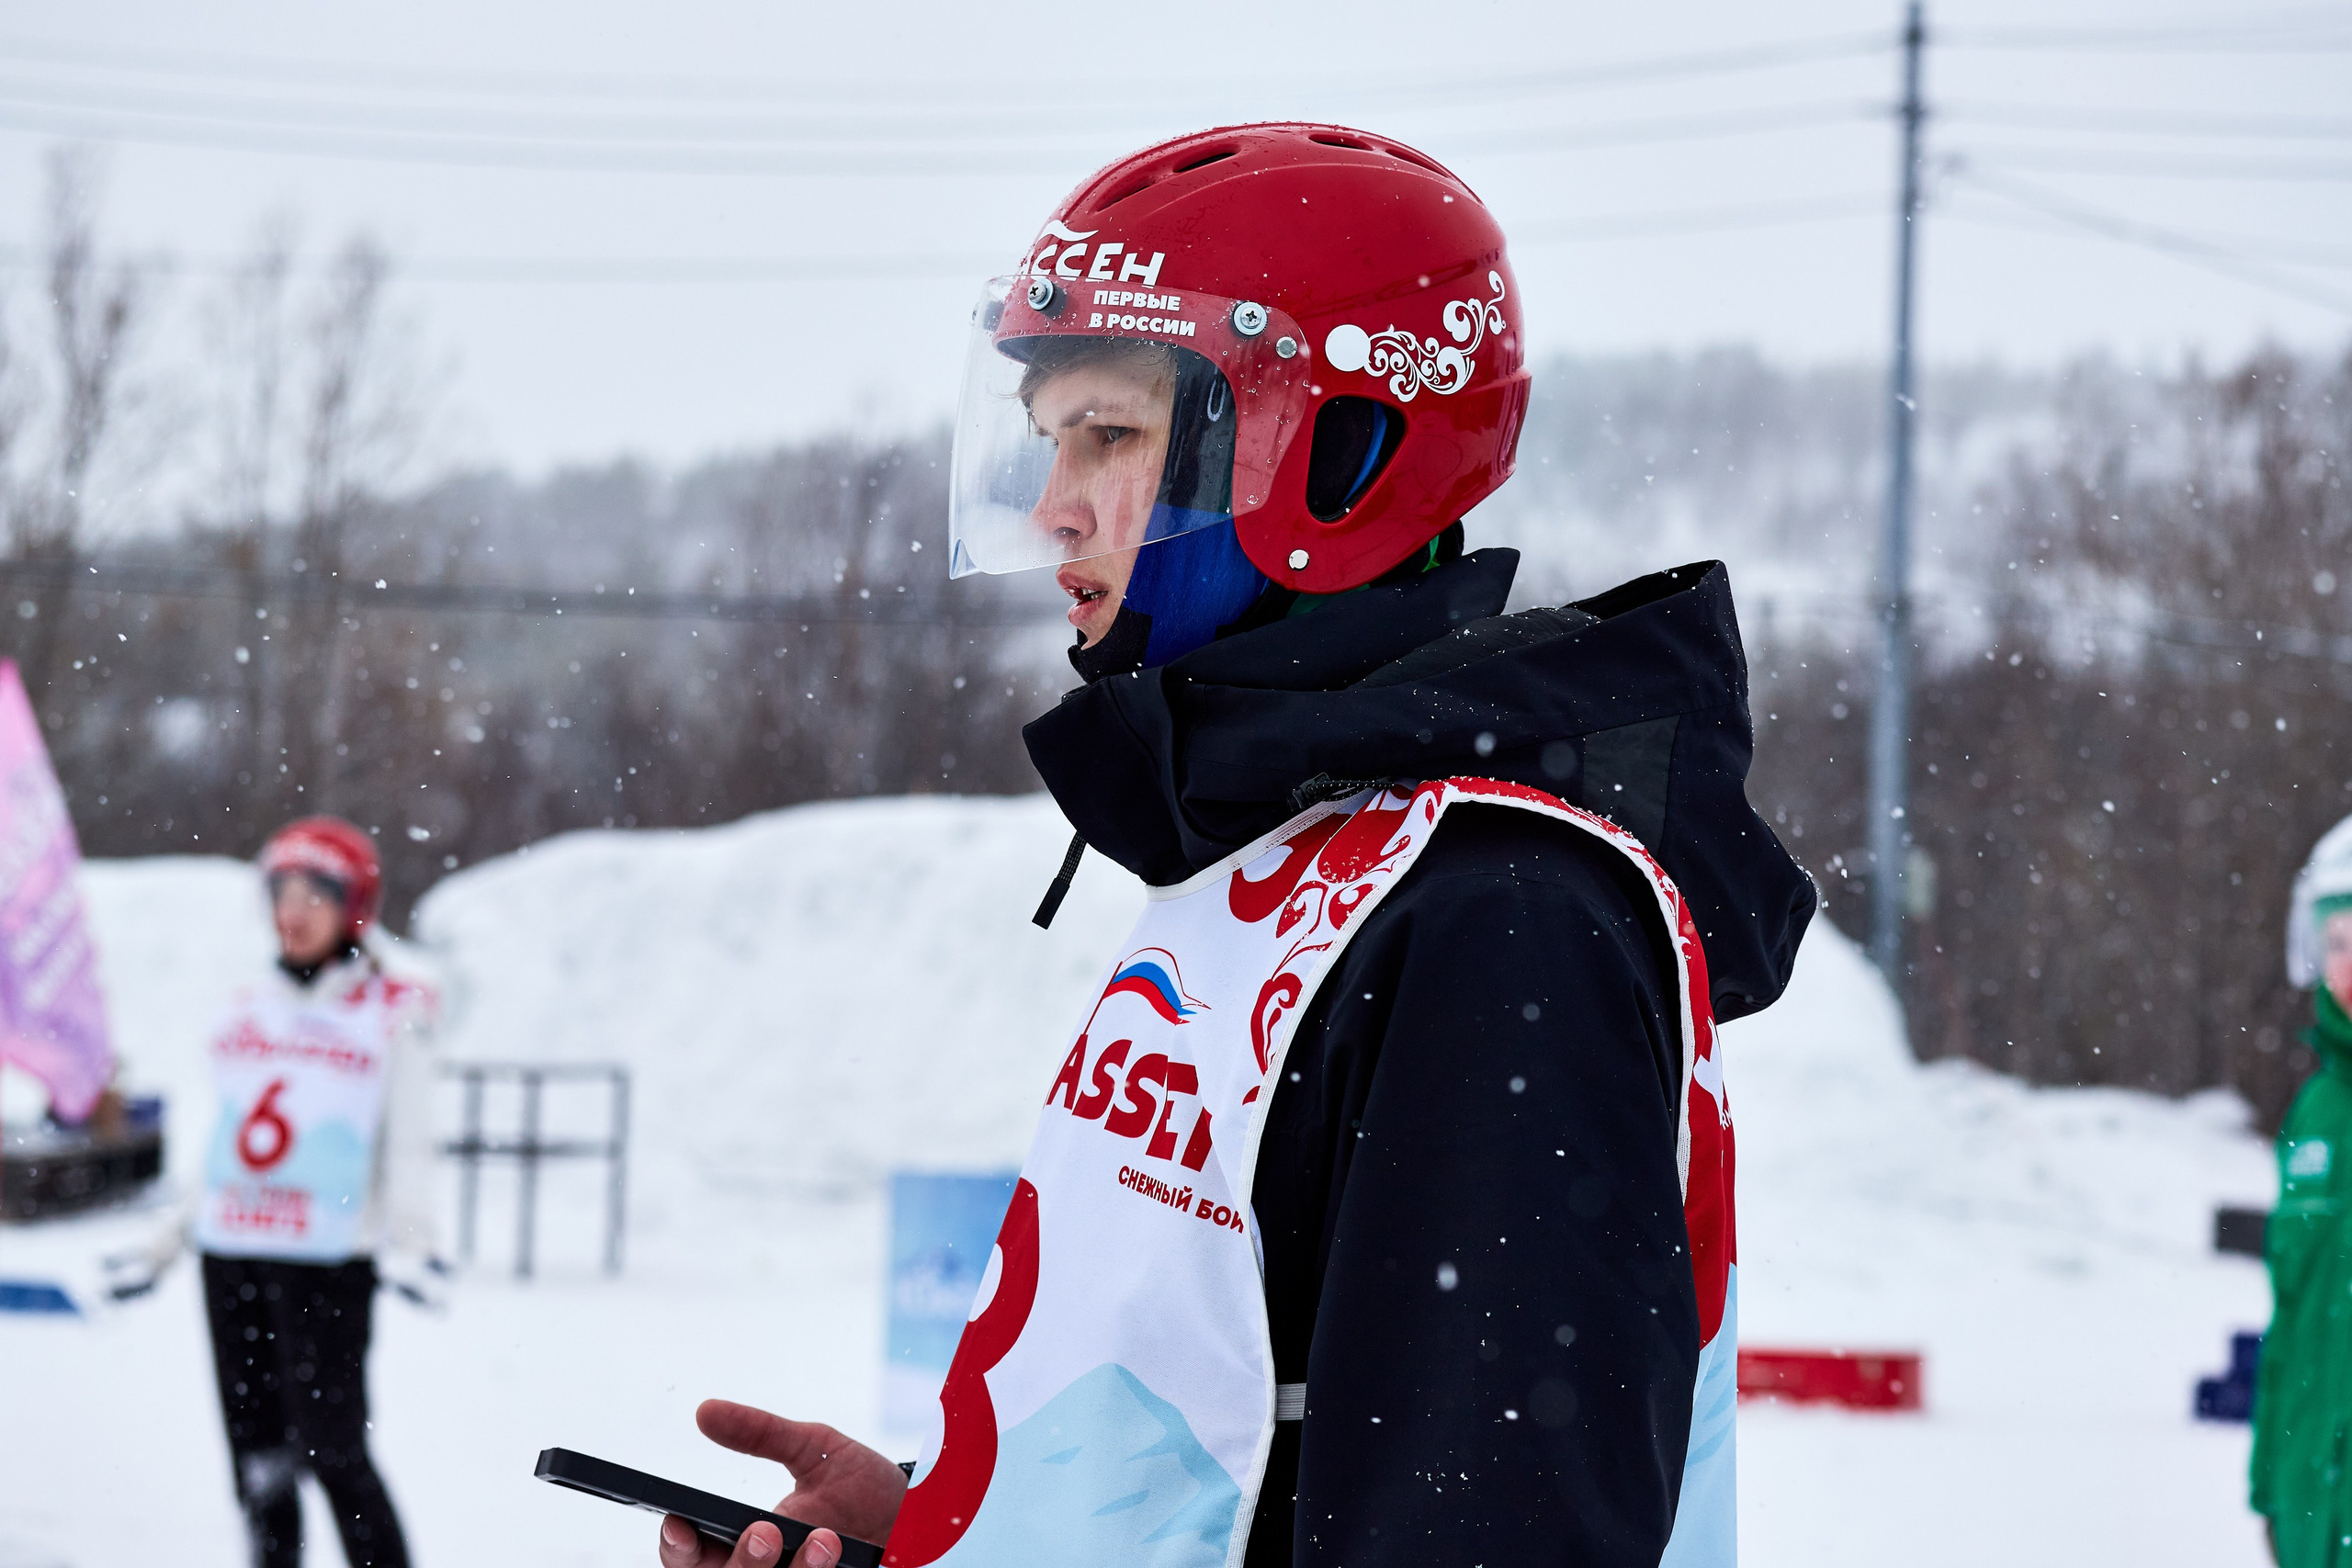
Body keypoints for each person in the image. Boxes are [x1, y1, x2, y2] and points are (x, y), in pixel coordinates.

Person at [658, 123, 1812, 1568]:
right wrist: (963, 1524)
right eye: (1046, 437)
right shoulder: (1291, 862)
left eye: (1112, 434)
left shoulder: (1501, 916)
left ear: (1341, 453)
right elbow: (1252, 1437)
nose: (1052, 502)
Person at [110, 816, 442, 1568]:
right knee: (258, 1459)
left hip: (328, 1262)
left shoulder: (393, 1011)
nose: (291, 912)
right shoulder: (245, 1007)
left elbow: (411, 1142)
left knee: (336, 1453)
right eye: (280, 893)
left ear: (353, 905)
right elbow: (226, 1148)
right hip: (234, 1256)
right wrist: (162, 1245)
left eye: (313, 895)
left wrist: (418, 1245)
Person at [2255, 813, 2352, 1565]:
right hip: (2311, 1508)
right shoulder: (2313, 1111)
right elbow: (2290, 1319)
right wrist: (2270, 1487)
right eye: (2338, 940)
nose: (2348, 966)